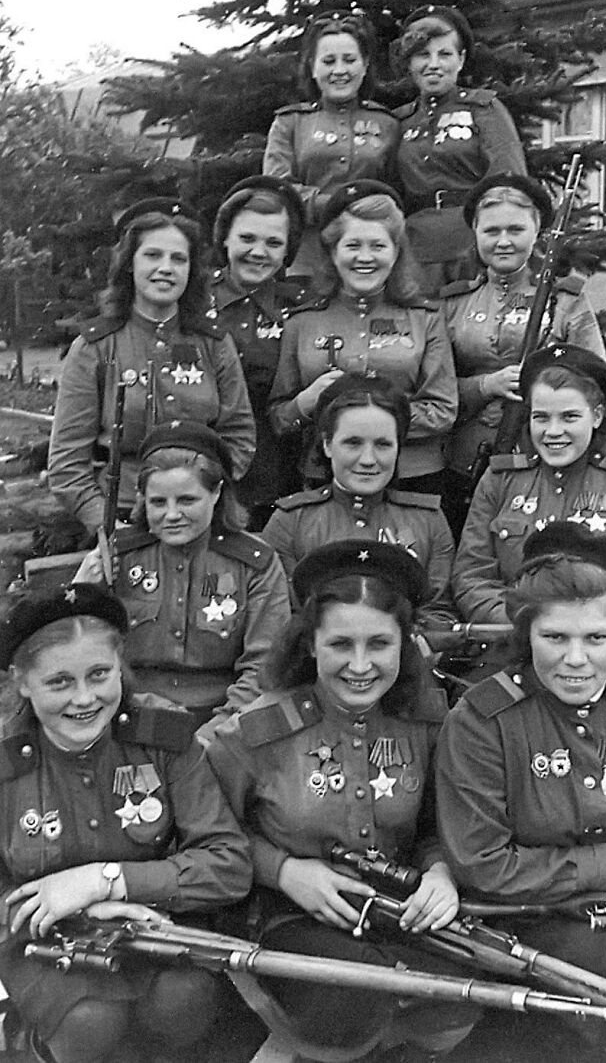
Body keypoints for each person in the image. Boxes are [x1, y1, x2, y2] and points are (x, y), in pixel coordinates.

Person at [203, 540, 480, 1059]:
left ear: (405, 644)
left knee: (456, 993)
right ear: (310, 644)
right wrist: (284, 871)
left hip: (394, 910)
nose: (360, 665)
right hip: (284, 914)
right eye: (340, 645)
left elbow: (435, 826)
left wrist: (440, 871)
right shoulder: (256, 733)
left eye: (379, 644)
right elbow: (207, 836)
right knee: (353, 997)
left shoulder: (426, 722)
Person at [437, 521, 606, 1062]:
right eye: (555, 638)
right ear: (525, 633)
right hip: (533, 921)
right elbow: (483, 865)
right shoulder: (483, 721)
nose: (576, 659)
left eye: (597, 638)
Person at [0, 583, 254, 1063]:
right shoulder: (6, 762)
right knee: (90, 1022)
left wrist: (109, 882)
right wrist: (82, 909)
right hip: (44, 941)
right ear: (23, 682)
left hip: (154, 923)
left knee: (184, 1000)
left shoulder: (163, 737)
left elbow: (228, 864)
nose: (84, 698)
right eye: (59, 682)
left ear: (121, 665)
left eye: (99, 674)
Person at [48, 200, 256, 536]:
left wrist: (203, 496)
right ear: (129, 264)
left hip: (203, 518)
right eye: (153, 255)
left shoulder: (214, 343)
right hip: (121, 518)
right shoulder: (95, 348)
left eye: (179, 259)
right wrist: (107, 527)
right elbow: (66, 464)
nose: (166, 268)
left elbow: (239, 436)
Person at [73, 421, 290, 735]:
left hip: (227, 722)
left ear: (216, 493)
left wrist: (218, 732)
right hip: (129, 717)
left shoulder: (254, 564)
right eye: (158, 502)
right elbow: (82, 652)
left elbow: (264, 665)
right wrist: (83, 588)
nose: (172, 515)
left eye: (187, 500)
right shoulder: (119, 556)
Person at [452, 344, 606, 631]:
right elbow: (471, 577)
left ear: (596, 416)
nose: (553, 431)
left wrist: (577, 628)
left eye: (569, 417)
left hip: (603, 643)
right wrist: (527, 624)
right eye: (541, 417)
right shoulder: (499, 480)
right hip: (512, 637)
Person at [440, 172, 606, 538]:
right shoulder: (453, 303)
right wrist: (485, 385)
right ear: (475, 233)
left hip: (546, 457)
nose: (503, 241)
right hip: (464, 461)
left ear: (536, 233)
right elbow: (434, 388)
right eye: (491, 231)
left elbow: (597, 386)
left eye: (516, 230)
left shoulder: (565, 301)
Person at [267, 179, 458, 496]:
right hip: (324, 478)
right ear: (333, 252)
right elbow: (279, 418)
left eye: (378, 246)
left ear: (396, 253)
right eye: (353, 246)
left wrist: (375, 419)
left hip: (413, 479)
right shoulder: (301, 322)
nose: (365, 257)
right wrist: (304, 403)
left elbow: (443, 410)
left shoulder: (425, 319)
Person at [263, 372, 457, 630]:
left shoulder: (428, 520)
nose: (368, 459)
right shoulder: (290, 522)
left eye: (383, 444)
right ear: (327, 444)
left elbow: (439, 615)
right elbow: (278, 621)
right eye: (353, 443)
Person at [393, 5, 527, 294]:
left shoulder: (484, 109)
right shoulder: (400, 121)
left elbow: (509, 177)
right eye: (422, 55)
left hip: (471, 245)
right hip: (415, 250)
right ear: (409, 63)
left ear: (461, 59)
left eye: (445, 54)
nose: (434, 64)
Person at [263, 11, 400, 277]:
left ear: (365, 65)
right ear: (313, 67)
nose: (339, 70)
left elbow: (397, 191)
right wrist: (334, 204)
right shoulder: (290, 122)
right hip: (308, 255)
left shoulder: (387, 124)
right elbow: (279, 189)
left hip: (369, 254)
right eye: (328, 61)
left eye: (349, 60)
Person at [209, 176, 309, 529]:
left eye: (273, 242)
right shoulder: (191, 300)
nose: (259, 252)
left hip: (282, 472)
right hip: (206, 471)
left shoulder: (303, 307)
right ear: (225, 237)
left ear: (288, 250)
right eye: (247, 238)